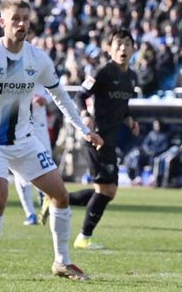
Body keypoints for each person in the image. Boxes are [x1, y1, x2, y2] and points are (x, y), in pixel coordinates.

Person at [0, 0, 103, 281]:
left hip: (24, 140)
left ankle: (62, 262)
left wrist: (84, 129)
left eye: (26, 19)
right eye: (16, 18)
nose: (21, 24)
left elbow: (61, 97)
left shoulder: (37, 59)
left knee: (60, 195)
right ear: (2, 22)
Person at [45, 29, 139, 250]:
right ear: (109, 48)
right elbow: (79, 95)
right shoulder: (103, 71)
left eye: (127, 44)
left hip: (111, 139)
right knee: (106, 191)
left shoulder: (131, 76)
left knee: (106, 191)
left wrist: (130, 120)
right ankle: (83, 237)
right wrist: (86, 116)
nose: (123, 48)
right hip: (97, 138)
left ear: (134, 48)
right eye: (118, 44)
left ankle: (57, 200)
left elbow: (121, 106)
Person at [14, 85, 51, 226]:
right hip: (19, 126)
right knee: (20, 170)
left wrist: (45, 99)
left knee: (45, 165)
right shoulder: (12, 67)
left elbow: (56, 90)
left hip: (39, 125)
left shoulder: (42, 64)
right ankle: (29, 213)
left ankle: (44, 199)